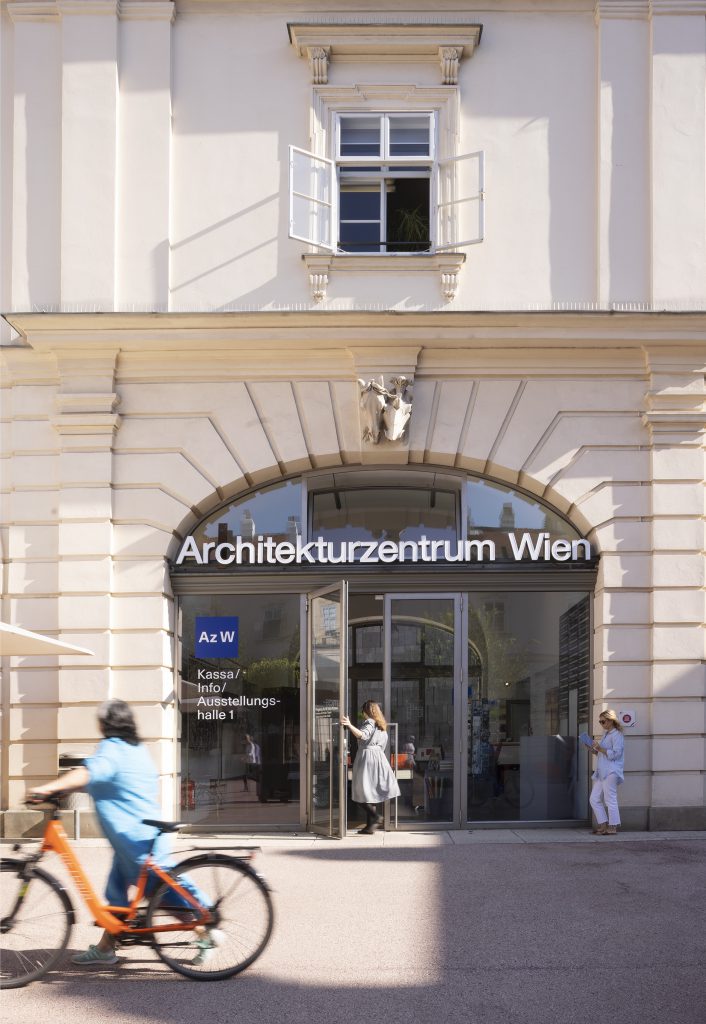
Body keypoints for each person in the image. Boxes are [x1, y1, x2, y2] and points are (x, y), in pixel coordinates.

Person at [28, 699, 217, 966]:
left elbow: (90, 772)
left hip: (136, 841)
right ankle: (106, 948)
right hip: (132, 840)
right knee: (116, 894)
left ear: (106, 723)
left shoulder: (112, 749)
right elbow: (104, 780)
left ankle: (205, 926)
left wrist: (48, 788)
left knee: (165, 892)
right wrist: (67, 787)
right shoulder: (134, 748)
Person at [341, 700, 401, 834]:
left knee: (359, 791)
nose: (362, 714)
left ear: (366, 711)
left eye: (363, 711)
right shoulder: (381, 725)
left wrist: (349, 725)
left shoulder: (369, 722)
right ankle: (369, 827)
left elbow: (362, 735)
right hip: (378, 758)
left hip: (367, 758)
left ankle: (375, 817)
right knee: (371, 792)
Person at [589, 708, 625, 835]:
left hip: (611, 771)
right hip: (602, 771)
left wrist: (600, 748)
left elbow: (617, 754)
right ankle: (603, 824)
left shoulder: (617, 735)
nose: (601, 724)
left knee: (610, 799)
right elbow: (603, 753)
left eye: (603, 721)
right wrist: (594, 750)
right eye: (600, 722)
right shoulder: (606, 734)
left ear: (611, 721)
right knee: (594, 799)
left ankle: (613, 826)